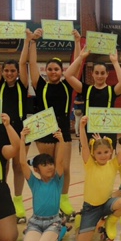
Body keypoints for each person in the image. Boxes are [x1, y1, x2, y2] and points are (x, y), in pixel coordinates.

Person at [28, 28, 81, 219]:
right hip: (43, 132)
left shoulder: (67, 84)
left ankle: (64, 199)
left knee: (63, 168)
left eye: (56, 69)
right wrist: (33, 41)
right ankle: (49, 201)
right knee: (47, 169)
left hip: (62, 130)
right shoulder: (40, 85)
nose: (52, 72)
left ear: (61, 71)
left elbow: (78, 64)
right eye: (49, 69)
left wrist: (77, 42)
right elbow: (32, 63)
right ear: (46, 71)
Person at [0, 27, 32, 223]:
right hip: (0, 129)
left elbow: (23, 62)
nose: (10, 73)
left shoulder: (23, 84)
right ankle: (2, 201)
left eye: (13, 70)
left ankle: (18, 201)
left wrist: (27, 40)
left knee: (19, 166)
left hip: (21, 128)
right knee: (2, 167)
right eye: (7, 70)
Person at [75, 117, 121, 241]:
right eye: (99, 153)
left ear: (111, 152)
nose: (103, 155)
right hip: (91, 208)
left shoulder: (113, 164)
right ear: (93, 154)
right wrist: (82, 127)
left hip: (106, 204)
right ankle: (80, 221)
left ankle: (109, 222)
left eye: (106, 152)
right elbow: (84, 146)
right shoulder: (90, 164)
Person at [64, 45, 121, 143]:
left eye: (102, 73)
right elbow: (68, 75)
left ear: (107, 74)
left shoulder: (112, 90)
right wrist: (80, 57)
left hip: (108, 132)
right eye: (96, 73)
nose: (99, 76)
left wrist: (115, 62)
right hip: (89, 132)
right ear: (92, 73)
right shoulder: (85, 89)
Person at [19, 128, 66, 241]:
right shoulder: (34, 183)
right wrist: (22, 140)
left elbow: (60, 161)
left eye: (51, 164)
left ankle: (61, 230)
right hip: (36, 222)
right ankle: (40, 234)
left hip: (53, 221)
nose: (50, 167)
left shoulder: (57, 181)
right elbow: (22, 163)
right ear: (36, 169)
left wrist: (61, 141)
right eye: (44, 165)